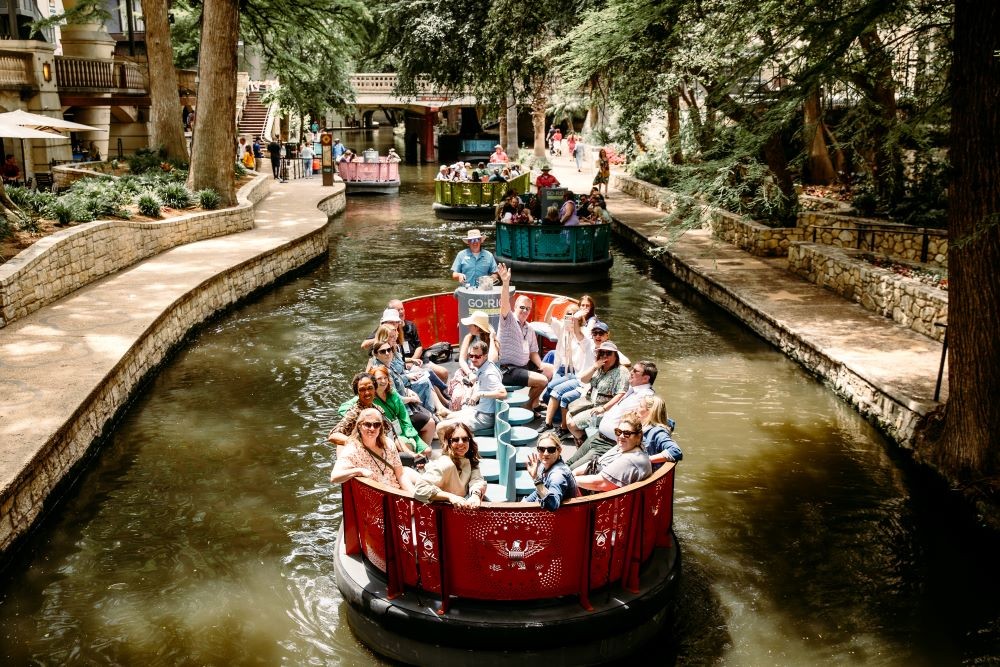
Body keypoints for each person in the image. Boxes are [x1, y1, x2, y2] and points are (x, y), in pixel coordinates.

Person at [565, 359, 657, 468]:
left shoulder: (646, 397)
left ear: (646, 378)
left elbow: (647, 421)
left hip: (608, 444)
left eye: (635, 371)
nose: (631, 372)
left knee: (571, 469)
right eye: (632, 369)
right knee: (569, 463)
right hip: (597, 436)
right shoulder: (632, 389)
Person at [496, 263, 553, 410]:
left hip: (523, 368)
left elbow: (533, 351)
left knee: (550, 371)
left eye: (528, 309)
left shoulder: (529, 328)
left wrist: (541, 366)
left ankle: (534, 403)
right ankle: (527, 407)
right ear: (515, 307)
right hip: (507, 370)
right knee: (542, 381)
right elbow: (504, 304)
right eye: (522, 307)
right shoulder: (507, 321)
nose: (525, 311)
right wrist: (506, 282)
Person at [536, 301, 592, 437]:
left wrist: (576, 320)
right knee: (551, 388)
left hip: (576, 373)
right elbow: (547, 320)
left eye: (573, 315)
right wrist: (552, 305)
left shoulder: (583, 333)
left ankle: (558, 422)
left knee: (554, 390)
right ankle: (549, 422)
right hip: (562, 369)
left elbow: (581, 337)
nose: (570, 318)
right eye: (568, 314)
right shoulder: (562, 328)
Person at [329, 407, 415, 491]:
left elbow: (400, 475)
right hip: (376, 499)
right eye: (367, 424)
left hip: (396, 493)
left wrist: (413, 496)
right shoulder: (352, 450)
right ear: (359, 426)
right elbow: (335, 477)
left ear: (380, 427)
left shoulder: (388, 444)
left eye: (376, 425)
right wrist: (359, 471)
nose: (372, 428)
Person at [408, 422, 486, 507]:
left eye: (465, 439)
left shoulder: (470, 458)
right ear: (449, 443)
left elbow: (477, 479)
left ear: (469, 441)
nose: (460, 443)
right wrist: (450, 497)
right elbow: (420, 489)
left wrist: (475, 495)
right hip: (445, 511)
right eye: (455, 440)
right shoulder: (446, 463)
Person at [438, 339, 506, 434]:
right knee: (448, 416)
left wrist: (479, 394)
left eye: (477, 356)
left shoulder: (489, 374)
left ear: (485, 356)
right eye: (471, 356)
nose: (473, 359)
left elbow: (503, 393)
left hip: (485, 417)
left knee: (440, 427)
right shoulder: (485, 365)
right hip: (479, 410)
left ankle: (450, 448)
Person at [573, 413, 652, 492]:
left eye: (627, 433)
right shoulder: (624, 447)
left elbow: (599, 484)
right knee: (569, 469)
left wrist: (571, 479)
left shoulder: (629, 460)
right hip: (590, 479)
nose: (621, 436)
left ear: (638, 436)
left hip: (599, 497)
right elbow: (599, 461)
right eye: (618, 432)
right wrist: (573, 473)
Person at [449, 311, 499, 409]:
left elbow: (493, 359)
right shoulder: (469, 337)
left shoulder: (491, 340)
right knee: (458, 395)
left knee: (472, 397)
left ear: (477, 327)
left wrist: (492, 339)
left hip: (483, 375)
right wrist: (469, 373)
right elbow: (462, 360)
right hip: (467, 373)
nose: (468, 327)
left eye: (471, 325)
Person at [327, 372, 393, 446]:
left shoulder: (378, 409)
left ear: (375, 389)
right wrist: (359, 444)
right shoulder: (355, 413)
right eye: (362, 390)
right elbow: (333, 435)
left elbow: (391, 432)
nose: (367, 392)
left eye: (370, 388)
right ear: (357, 393)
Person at [524, 433, 580, 511]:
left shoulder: (558, 475)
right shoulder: (545, 466)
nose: (545, 453)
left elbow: (552, 504)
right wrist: (523, 503)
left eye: (551, 450)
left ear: (559, 450)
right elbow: (538, 491)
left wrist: (536, 479)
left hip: (558, 519)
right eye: (541, 449)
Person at [637, 395, 683, 468]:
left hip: (648, 474)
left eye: (640, 406)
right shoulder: (642, 426)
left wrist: (646, 460)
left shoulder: (658, 432)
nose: (637, 409)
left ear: (650, 412)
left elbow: (675, 451)